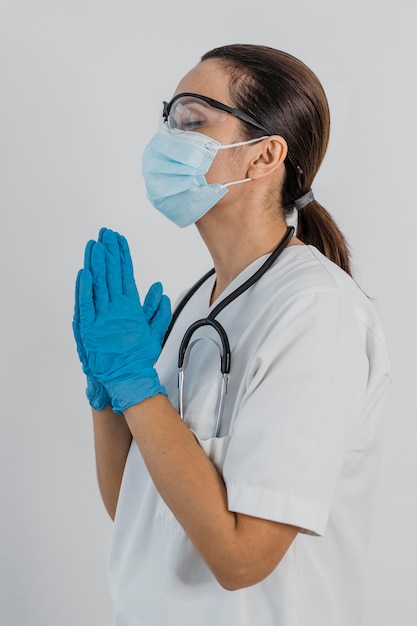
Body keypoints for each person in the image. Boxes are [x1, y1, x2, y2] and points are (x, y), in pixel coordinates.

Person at [73, 44, 391, 626]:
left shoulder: (314, 311)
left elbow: (242, 560)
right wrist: (110, 399)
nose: (167, 138)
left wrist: (137, 387)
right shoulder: (200, 304)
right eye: (168, 117)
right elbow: (138, 511)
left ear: (264, 155)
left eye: (192, 120)